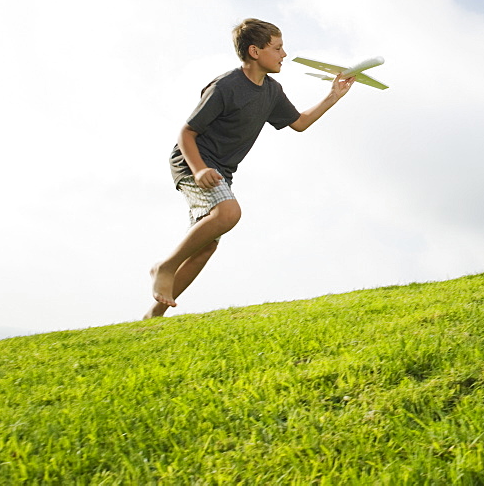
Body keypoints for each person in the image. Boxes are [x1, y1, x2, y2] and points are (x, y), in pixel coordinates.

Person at [145, 18, 355, 318]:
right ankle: (164, 267)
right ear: (255, 51)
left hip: (220, 170)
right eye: (278, 48)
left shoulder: (271, 91)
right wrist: (200, 170)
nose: (284, 54)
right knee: (228, 213)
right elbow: (186, 133)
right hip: (193, 161)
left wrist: (334, 95)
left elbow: (299, 123)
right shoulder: (226, 86)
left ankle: (153, 316)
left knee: (205, 247)